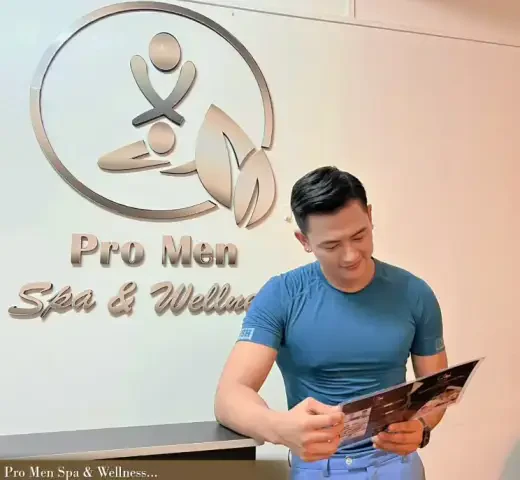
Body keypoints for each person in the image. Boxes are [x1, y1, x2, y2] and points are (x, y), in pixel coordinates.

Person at [214, 166, 449, 479]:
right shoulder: (282, 295)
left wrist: (420, 426)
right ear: (304, 240)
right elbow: (229, 397)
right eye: (332, 245)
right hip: (317, 465)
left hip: (396, 464)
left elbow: (436, 391)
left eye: (359, 236)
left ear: (370, 216)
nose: (350, 255)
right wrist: (280, 428)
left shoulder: (415, 293)